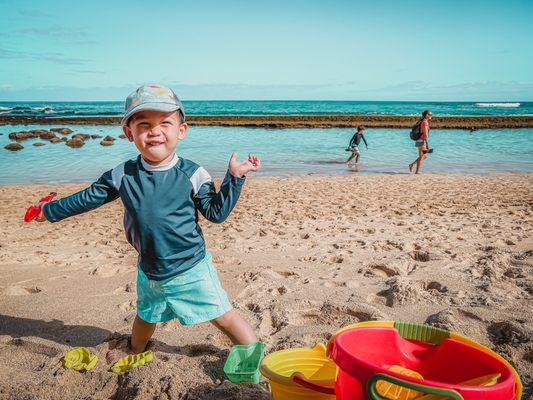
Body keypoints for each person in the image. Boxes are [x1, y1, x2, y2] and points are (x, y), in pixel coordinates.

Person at [34, 84, 261, 364]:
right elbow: (87, 198)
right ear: (130, 133)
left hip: (190, 267)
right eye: (144, 124)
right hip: (149, 268)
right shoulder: (122, 175)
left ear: (181, 131)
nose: (155, 131)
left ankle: (257, 359)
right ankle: (136, 349)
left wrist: (234, 178)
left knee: (223, 316)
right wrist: (50, 210)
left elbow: (216, 212)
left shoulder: (192, 173)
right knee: (145, 316)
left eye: (165, 123)